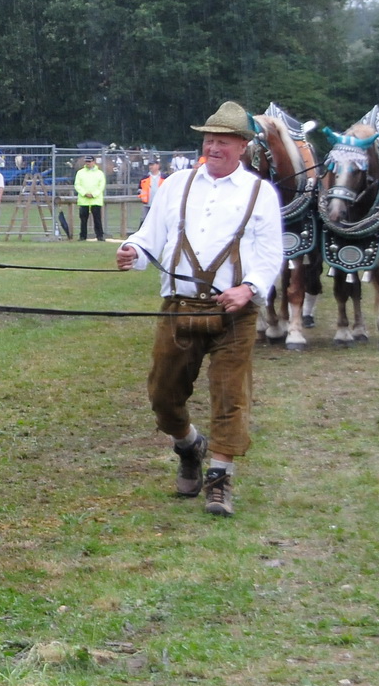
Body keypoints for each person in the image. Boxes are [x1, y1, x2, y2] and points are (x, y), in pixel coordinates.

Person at [115, 102, 283, 517]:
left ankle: (219, 481)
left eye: (222, 140)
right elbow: (150, 235)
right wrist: (133, 250)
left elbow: (271, 252)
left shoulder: (260, 193)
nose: (213, 147)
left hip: (233, 312)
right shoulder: (176, 185)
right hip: (178, 308)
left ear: (242, 146)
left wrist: (250, 288)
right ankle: (190, 445)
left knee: (230, 397)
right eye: (208, 139)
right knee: (163, 395)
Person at [74, 155, 107, 241]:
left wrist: (94, 194)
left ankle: (100, 236)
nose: (88, 163)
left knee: (97, 219)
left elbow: (101, 186)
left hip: (96, 200)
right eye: (86, 162)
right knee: (83, 220)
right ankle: (82, 236)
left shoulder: (100, 173)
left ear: (94, 162)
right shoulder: (80, 172)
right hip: (84, 200)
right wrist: (84, 193)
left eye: (89, 161)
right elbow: (77, 185)